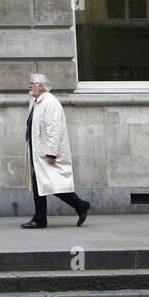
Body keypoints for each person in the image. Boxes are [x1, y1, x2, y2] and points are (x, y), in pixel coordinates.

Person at [21, 73, 92, 229]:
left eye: (32, 83)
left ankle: (80, 205)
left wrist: (51, 153)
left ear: (42, 86)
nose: (29, 86)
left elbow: (54, 130)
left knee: (52, 184)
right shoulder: (36, 102)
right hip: (37, 151)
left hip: (45, 152)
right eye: (30, 83)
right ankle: (40, 218)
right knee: (40, 184)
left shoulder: (50, 103)